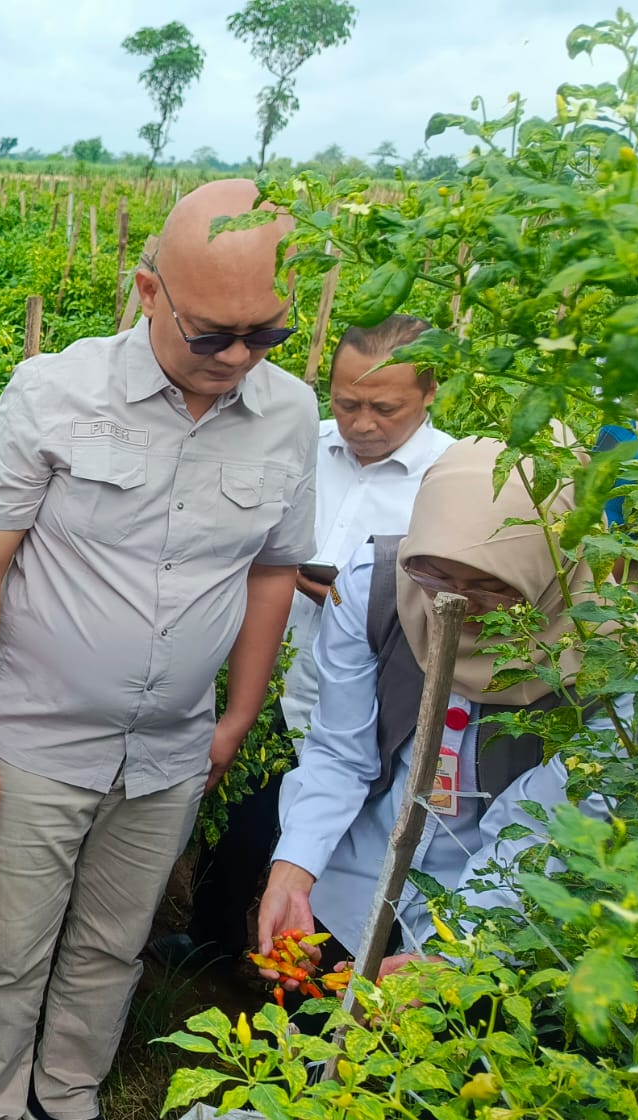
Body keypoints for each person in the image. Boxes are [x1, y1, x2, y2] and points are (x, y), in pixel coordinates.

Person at [0, 179, 319, 1120]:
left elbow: (273, 571)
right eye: (212, 334)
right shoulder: (51, 395)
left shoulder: (289, 415)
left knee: (114, 940)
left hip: (171, 747)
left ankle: (64, 1095)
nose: (237, 358)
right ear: (148, 291)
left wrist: (237, 715)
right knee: (11, 946)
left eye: (265, 334)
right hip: (36, 738)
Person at [152, 315, 455, 968]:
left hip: (373, 715)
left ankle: (319, 987)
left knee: (344, 860)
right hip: (270, 686)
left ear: (430, 393)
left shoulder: (450, 480)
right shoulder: (300, 444)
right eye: (346, 403)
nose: (361, 423)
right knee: (239, 833)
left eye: (384, 408)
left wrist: (365, 601)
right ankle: (211, 948)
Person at [256, 437, 613, 983]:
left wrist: (458, 952)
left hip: (499, 906)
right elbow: (341, 751)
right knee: (316, 1018)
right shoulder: (376, 586)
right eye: (435, 577)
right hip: (355, 877)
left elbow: (547, 826)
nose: (455, 604)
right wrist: (294, 870)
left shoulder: (608, 654)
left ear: (549, 568)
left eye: (490, 587)